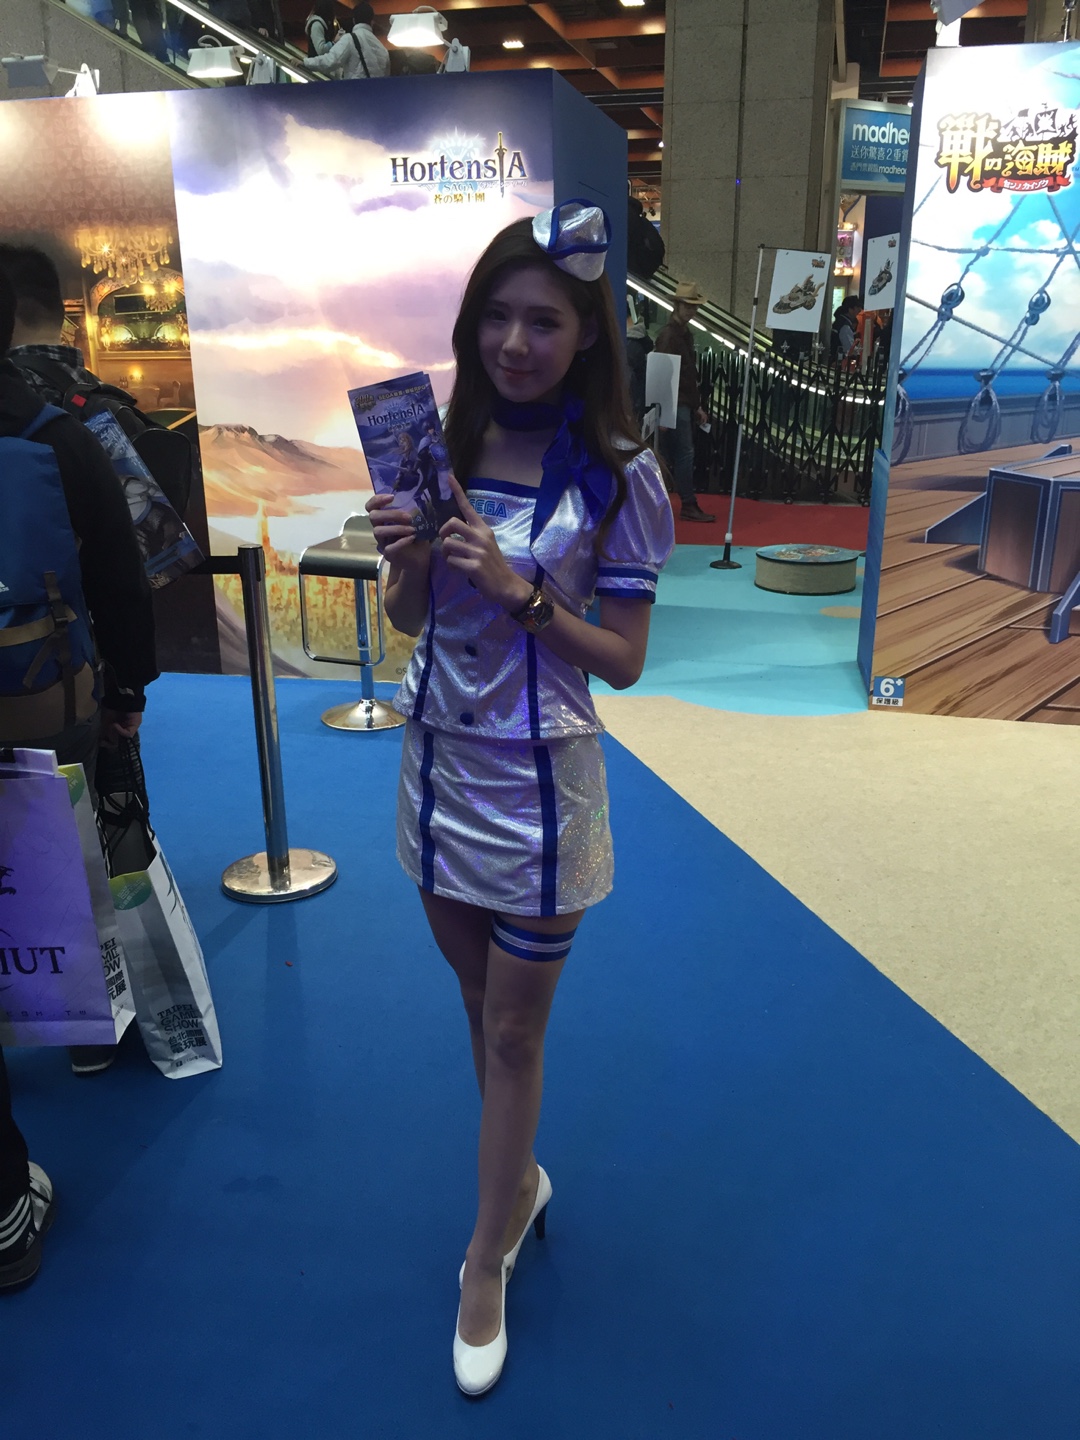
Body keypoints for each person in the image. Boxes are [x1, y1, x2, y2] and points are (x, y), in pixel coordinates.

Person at [366, 201, 674, 1396]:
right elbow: (410, 617)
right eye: (496, 316)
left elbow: (625, 660)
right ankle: (520, 1179)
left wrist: (521, 590)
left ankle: (485, 1253)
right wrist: (407, 562)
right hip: (439, 770)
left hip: (543, 793)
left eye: (543, 320)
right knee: (476, 1004)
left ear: (587, 333)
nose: (514, 342)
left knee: (511, 1030)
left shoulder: (621, 475)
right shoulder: (439, 445)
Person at [0, 264, 157, 1077]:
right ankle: (86, 1033)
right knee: (65, 847)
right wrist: (127, 690)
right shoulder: (59, 433)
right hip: (47, 690)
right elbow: (120, 577)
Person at [652, 280, 715, 523]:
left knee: (676, 454)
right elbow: (667, 374)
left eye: (693, 307)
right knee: (683, 453)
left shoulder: (675, 334)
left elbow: (673, 374)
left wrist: (693, 405)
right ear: (678, 306)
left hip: (678, 402)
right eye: (689, 306)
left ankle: (674, 503)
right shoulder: (673, 335)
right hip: (676, 403)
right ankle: (687, 503)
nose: (692, 311)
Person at [302, 1, 388, 78]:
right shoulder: (382, 48)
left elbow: (330, 61)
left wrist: (306, 62)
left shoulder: (349, 39)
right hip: (377, 90)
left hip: (356, 88)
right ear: (372, 22)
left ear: (354, 20)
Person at [830, 295, 861, 362]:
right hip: (840, 362)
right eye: (857, 308)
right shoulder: (845, 327)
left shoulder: (839, 321)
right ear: (850, 310)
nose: (859, 310)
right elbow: (850, 349)